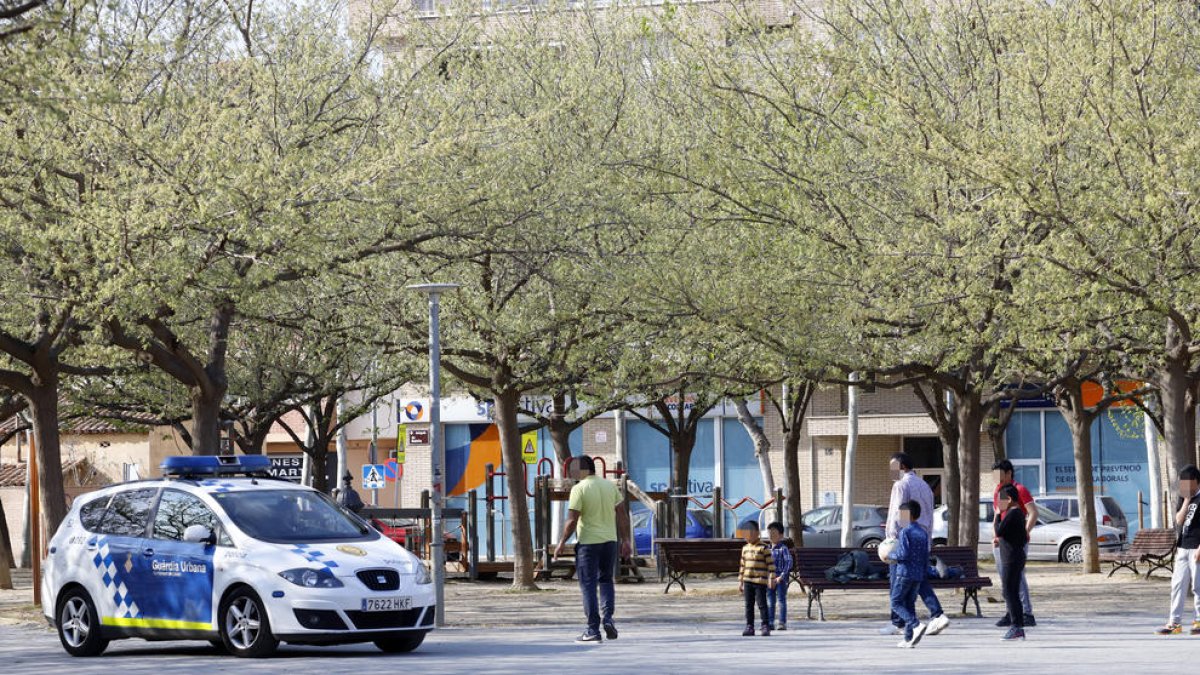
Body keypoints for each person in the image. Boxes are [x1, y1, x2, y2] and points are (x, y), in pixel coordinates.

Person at [554, 455, 632, 644]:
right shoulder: (610, 486)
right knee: (606, 580)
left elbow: (572, 520)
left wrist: (561, 542)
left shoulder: (579, 489)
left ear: (582, 470)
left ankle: (592, 630)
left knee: (588, 585)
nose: (571, 473)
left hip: (588, 543)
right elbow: (622, 514)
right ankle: (608, 618)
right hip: (610, 541)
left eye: (573, 469)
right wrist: (626, 540)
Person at [881, 452, 950, 637]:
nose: (891, 471)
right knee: (920, 580)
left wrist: (893, 537)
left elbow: (900, 513)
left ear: (902, 466)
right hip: (923, 538)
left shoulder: (900, 485)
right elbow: (929, 514)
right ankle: (937, 614)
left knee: (897, 581)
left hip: (904, 539)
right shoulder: (925, 485)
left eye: (893, 467)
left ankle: (898, 622)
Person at [992, 459, 1037, 627]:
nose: (996, 478)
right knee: (1006, 579)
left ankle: (1026, 613)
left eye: (999, 474)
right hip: (1002, 541)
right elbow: (998, 514)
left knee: (1017, 577)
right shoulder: (999, 491)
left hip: (1015, 543)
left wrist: (1024, 532)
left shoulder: (1019, 490)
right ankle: (1011, 612)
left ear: (1009, 473)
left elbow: (1033, 513)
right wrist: (995, 536)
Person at [1156, 465, 1200, 635]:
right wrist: (1187, 501)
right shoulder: (1184, 498)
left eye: (1187, 482)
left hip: (1197, 547)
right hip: (1183, 546)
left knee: (1198, 586)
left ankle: (1198, 621)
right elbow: (1179, 520)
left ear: (1196, 481)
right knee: (1177, 585)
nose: (1184, 486)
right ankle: (1174, 623)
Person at [886, 500, 930, 649]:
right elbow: (926, 556)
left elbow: (903, 554)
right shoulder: (923, 532)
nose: (899, 518)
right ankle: (909, 638)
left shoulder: (905, 531)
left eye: (901, 514)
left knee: (895, 602)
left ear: (908, 515)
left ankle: (915, 624)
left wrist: (890, 555)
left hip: (904, 573)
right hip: (918, 574)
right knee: (909, 605)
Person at [995, 484, 1029, 641]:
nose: (998, 503)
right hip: (1015, 556)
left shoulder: (1013, 513)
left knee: (1009, 592)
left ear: (1008, 499)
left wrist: (997, 515)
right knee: (1013, 591)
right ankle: (1018, 626)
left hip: (1011, 558)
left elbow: (999, 531)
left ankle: (1016, 626)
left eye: (1000, 500)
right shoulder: (1018, 513)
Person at [738, 520, 776, 636]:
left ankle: (765, 625)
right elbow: (742, 565)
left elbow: (771, 565)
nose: (747, 537)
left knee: (762, 604)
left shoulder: (764, 548)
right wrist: (740, 581)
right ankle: (749, 626)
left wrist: (772, 578)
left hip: (760, 581)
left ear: (757, 533)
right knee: (748, 605)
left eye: (750, 534)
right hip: (747, 580)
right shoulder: (745, 548)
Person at [766, 521, 792, 631]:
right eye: (769, 533)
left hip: (780, 579)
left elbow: (789, 562)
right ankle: (770, 622)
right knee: (770, 601)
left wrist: (782, 576)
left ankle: (782, 622)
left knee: (781, 600)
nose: (771, 536)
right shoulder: (766, 549)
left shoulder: (783, 548)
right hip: (770, 579)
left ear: (781, 535)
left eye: (774, 533)